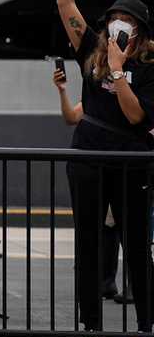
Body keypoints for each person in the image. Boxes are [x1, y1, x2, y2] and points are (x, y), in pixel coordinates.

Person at [55, 0, 154, 337]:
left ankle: (145, 332)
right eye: (113, 17)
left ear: (140, 31)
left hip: (132, 164)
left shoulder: (148, 67)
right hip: (89, 159)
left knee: (136, 246)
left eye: (126, 19)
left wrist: (118, 72)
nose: (117, 24)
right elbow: (65, 5)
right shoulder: (92, 52)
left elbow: (136, 117)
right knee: (89, 246)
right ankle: (90, 332)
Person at [53, 63, 127, 304]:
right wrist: (62, 90)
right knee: (103, 226)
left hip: (117, 166)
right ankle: (103, 281)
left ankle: (119, 282)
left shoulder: (127, 98)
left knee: (122, 227)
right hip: (95, 164)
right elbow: (71, 117)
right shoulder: (95, 100)